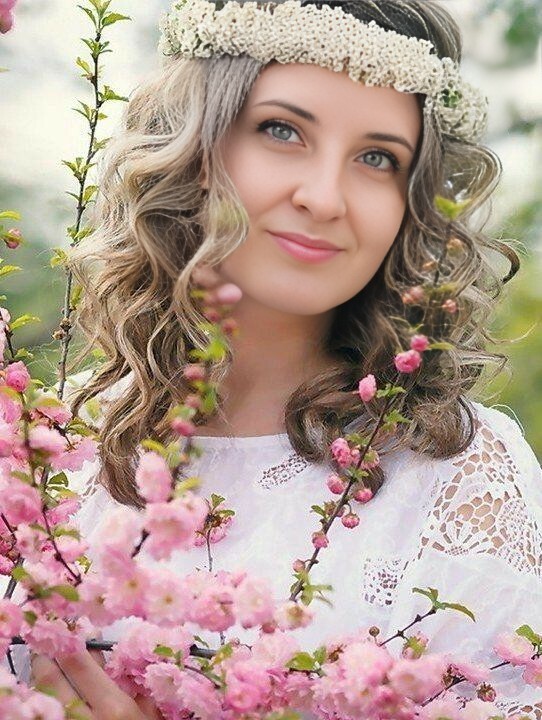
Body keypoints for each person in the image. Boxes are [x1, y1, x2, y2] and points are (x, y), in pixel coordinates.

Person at [23, 0, 542, 718]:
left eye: (377, 158)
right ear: (197, 152)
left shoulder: (456, 475)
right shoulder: (44, 451)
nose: (324, 198)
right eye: (282, 130)